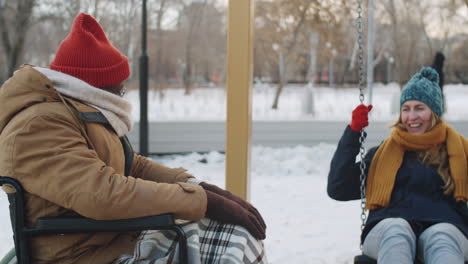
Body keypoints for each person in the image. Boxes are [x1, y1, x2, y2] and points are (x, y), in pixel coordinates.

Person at [0, 13, 267, 264]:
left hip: (110, 238)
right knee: (229, 244)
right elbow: (103, 194)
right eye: (120, 84)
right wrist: (200, 201)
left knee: (235, 234)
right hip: (82, 255)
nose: (123, 91)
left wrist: (200, 187)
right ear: (96, 85)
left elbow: (133, 166)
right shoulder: (39, 125)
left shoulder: (74, 113)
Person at [327, 67, 468, 264]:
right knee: (397, 230)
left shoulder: (459, 153)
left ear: (434, 113)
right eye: (406, 109)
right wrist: (353, 132)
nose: (412, 116)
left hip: (447, 226)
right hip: (387, 229)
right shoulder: (381, 154)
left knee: (441, 236)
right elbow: (338, 188)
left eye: (420, 108)